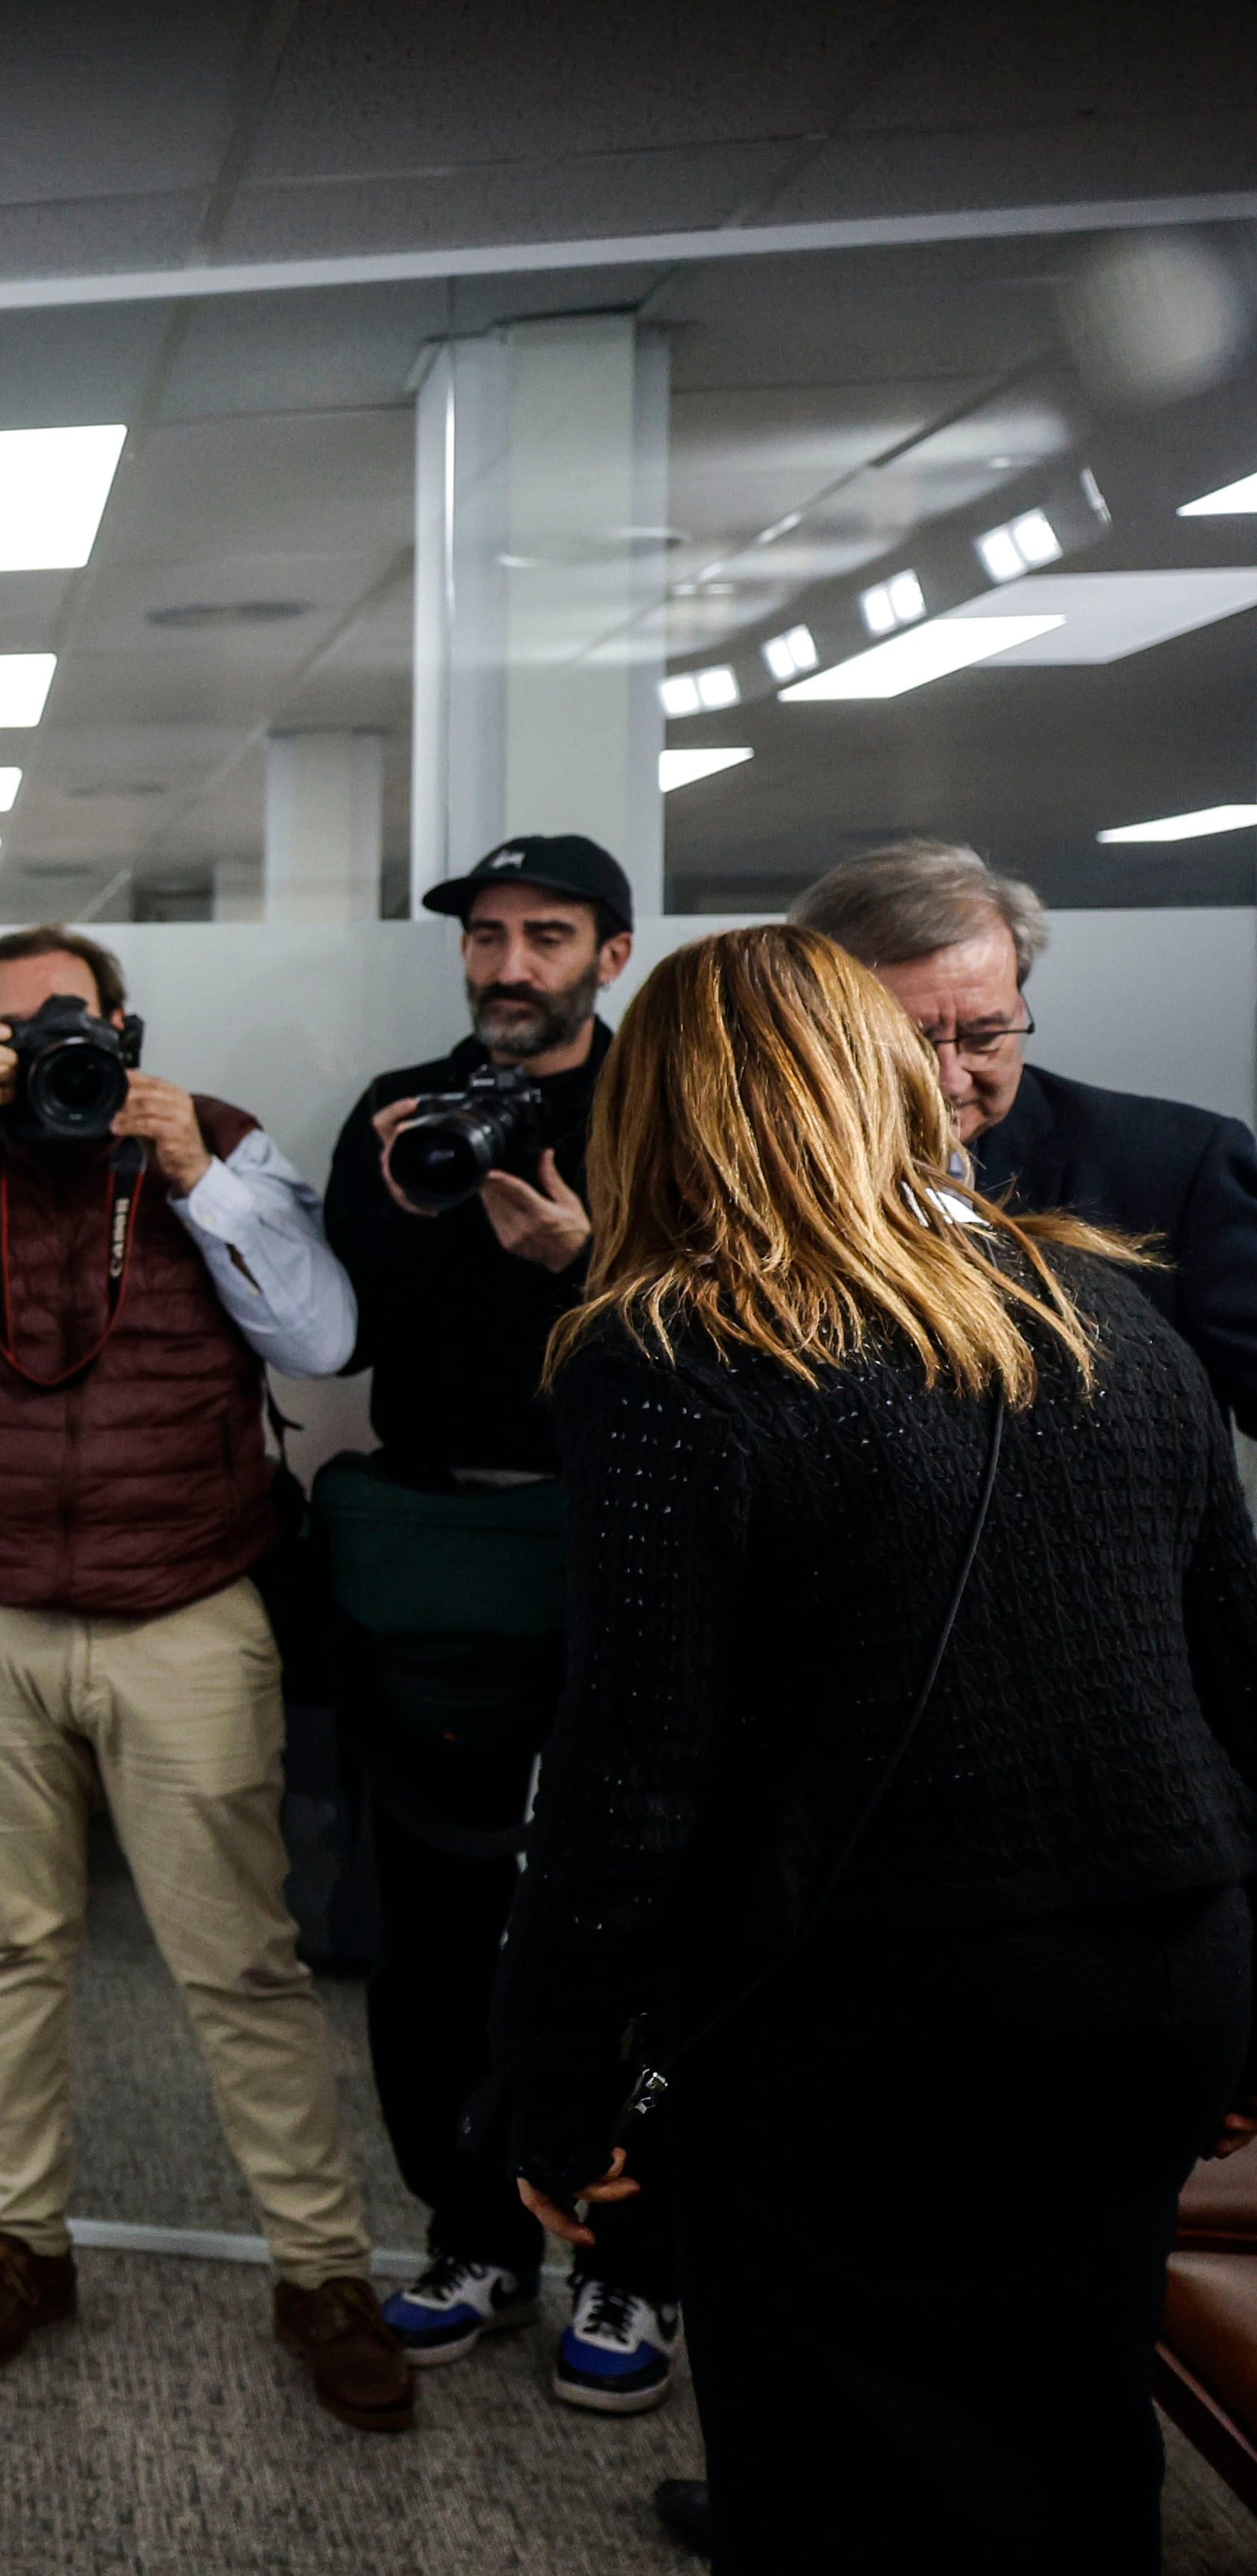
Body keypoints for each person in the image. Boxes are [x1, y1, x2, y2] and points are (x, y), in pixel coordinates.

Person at [491, 924, 1257, 2573]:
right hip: (1157, 1978)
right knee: (1066, 2431)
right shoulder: (1114, 1317)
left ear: (662, 1113)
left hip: (877, 2015)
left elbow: (630, 1780)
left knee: (838, 2473)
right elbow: (1236, 1692)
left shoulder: (676, 1353)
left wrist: (551, 2100)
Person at [0, 925, 414, 2433]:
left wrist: (194, 1170)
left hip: (183, 1605)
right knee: (2, 1946)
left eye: (64, 1028)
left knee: (241, 1962)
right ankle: (21, 2247)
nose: (39, 1057)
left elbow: (326, 1339)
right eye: (1, 1034)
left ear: (125, 1029)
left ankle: (320, 2273)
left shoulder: (213, 1147)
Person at [319, 833, 685, 2412]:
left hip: (624, 1554)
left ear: (611, 953)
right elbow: (337, 1318)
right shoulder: (402, 1114)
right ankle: (469, 2236)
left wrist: (584, 1262)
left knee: (629, 1922)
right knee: (433, 1930)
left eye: (545, 934)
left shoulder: (670, 1109)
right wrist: (415, 1193)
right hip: (440, 1549)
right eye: (485, 935)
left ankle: (629, 2261)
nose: (506, 963)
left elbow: (733, 1329)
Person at [792, 837, 1257, 1428]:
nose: (949, 1077)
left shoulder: (1180, 1164)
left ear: (1020, 1005)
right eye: (905, 1044)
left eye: (986, 1037)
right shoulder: (754, 1171)